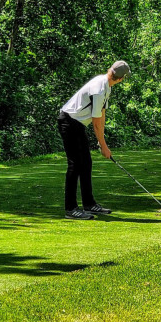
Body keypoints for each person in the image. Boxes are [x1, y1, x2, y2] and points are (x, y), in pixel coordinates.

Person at [57, 60, 130, 220]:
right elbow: (96, 122)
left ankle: (89, 204)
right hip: (69, 122)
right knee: (74, 164)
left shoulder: (106, 86)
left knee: (86, 163)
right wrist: (103, 146)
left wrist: (101, 141)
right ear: (121, 78)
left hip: (77, 124)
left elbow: (101, 115)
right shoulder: (99, 88)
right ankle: (71, 209)